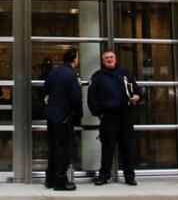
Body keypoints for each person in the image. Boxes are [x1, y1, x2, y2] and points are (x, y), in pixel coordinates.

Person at [88, 51, 142, 186]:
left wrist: (138, 96)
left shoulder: (126, 74)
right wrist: (100, 114)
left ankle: (129, 176)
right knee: (107, 148)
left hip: (125, 115)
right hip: (108, 117)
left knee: (127, 147)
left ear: (116, 59)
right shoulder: (98, 76)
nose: (109, 59)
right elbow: (92, 98)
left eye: (111, 57)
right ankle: (104, 176)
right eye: (106, 58)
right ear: (103, 61)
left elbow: (137, 90)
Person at [43, 48, 82, 191]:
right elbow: (76, 98)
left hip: (51, 115)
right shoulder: (71, 75)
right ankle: (60, 181)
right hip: (64, 116)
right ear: (74, 59)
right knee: (63, 149)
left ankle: (50, 179)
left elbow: (46, 89)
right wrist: (79, 115)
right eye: (78, 57)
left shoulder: (53, 72)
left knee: (53, 147)